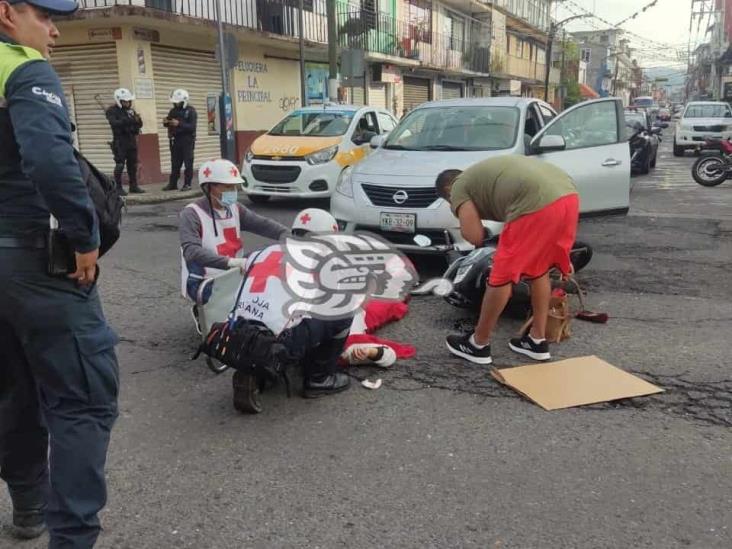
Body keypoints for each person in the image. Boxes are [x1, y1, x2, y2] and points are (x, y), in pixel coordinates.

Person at [0, 0, 119, 546]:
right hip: (34, 261)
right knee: (82, 402)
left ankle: (28, 505)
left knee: (14, 389)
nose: (53, 33)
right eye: (45, 17)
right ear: (7, 12)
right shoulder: (22, 67)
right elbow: (48, 159)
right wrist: (84, 236)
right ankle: (71, 539)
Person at [435, 154, 579, 365]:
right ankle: (537, 340)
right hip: (568, 197)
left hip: (535, 204)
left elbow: (475, 237)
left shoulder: (458, 188)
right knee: (538, 270)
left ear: (447, 191)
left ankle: (478, 344)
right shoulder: (481, 177)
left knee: (501, 276)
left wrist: (459, 212)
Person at [233, 208, 352, 400]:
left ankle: (262, 369)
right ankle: (319, 378)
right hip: (278, 339)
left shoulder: (262, 252)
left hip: (239, 330)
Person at [179, 158, 288, 304]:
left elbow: (262, 224)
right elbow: (191, 251)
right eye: (228, 187)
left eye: (235, 187)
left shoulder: (235, 208)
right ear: (208, 187)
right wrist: (231, 262)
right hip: (204, 281)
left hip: (234, 273)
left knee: (271, 272)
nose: (233, 192)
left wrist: (291, 235)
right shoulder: (192, 214)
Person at [105, 87, 144, 196]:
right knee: (120, 165)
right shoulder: (112, 111)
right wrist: (130, 120)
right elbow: (114, 123)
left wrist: (137, 120)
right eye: (125, 101)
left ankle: (134, 186)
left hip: (131, 140)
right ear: (119, 100)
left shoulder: (131, 111)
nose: (128, 103)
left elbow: (139, 124)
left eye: (129, 101)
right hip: (120, 141)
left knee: (133, 165)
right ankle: (118, 187)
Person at [162, 88, 196, 191]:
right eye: (175, 102)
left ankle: (187, 184)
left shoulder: (191, 111)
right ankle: (172, 184)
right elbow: (168, 122)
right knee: (175, 163)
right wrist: (166, 122)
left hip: (187, 140)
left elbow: (192, 127)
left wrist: (179, 124)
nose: (176, 104)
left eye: (178, 102)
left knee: (188, 162)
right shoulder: (173, 111)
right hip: (176, 140)